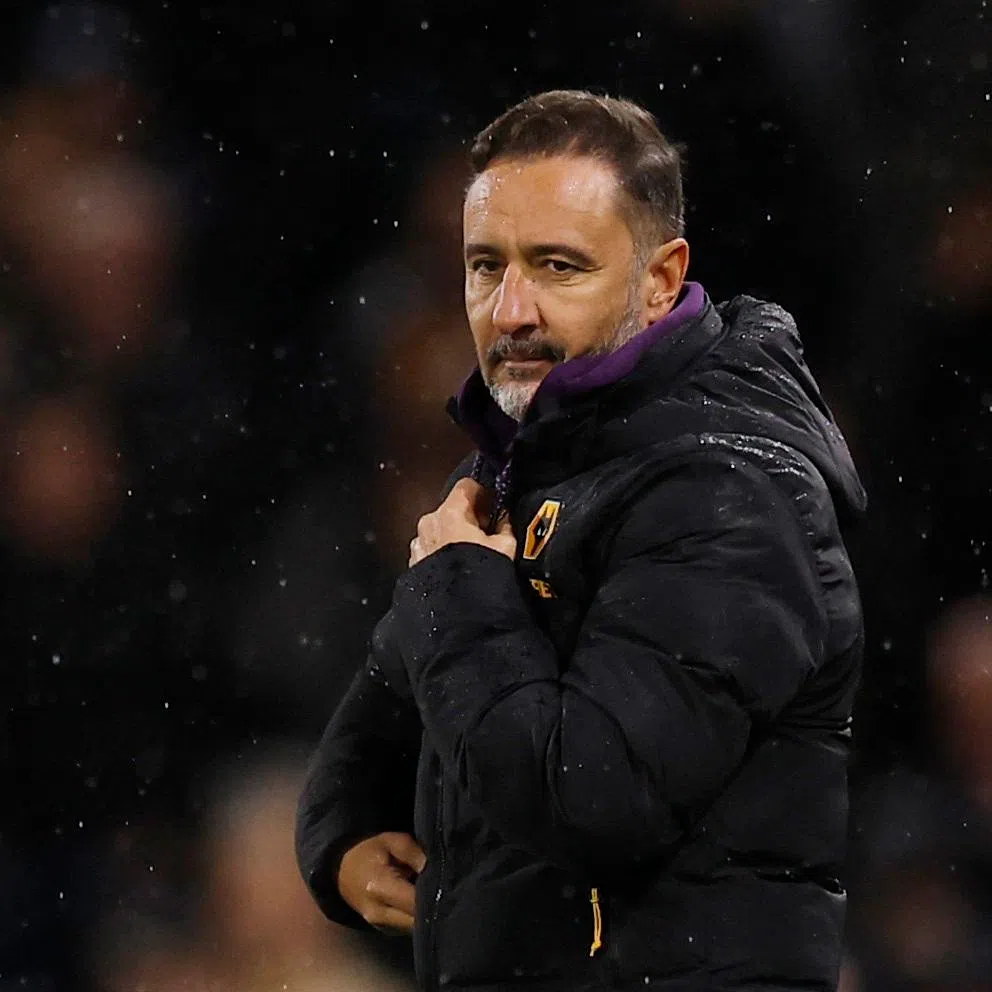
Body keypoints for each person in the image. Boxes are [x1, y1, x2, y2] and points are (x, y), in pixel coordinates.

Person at [296, 90, 866, 992]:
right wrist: (338, 840)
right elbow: (379, 727)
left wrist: (453, 583)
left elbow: (589, 798)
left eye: (558, 267)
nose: (510, 309)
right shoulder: (515, 467)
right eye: (486, 267)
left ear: (661, 278)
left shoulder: (732, 493)